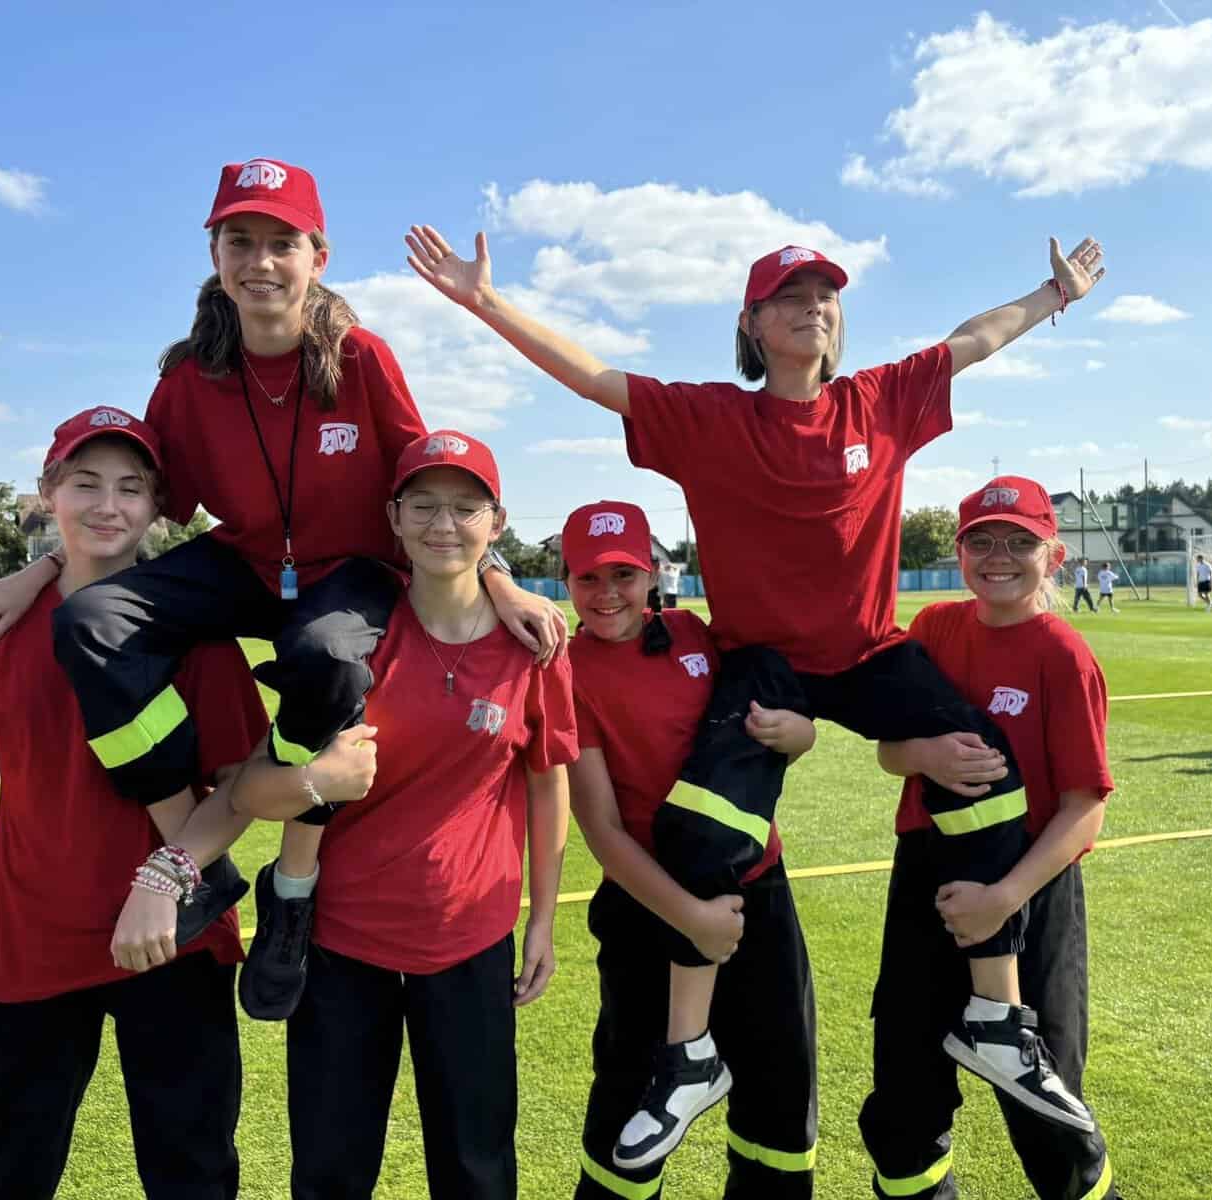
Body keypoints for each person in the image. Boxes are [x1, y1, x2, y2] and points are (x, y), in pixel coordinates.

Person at [405, 228, 1108, 1159]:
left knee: (984, 765)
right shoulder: (711, 421)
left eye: (824, 295)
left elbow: (973, 340)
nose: (811, 308)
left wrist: (1052, 297)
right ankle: (688, 1054)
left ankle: (996, 1018)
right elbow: (596, 379)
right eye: (789, 298)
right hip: (763, 665)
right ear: (752, 324)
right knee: (704, 827)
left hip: (867, 655)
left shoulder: (880, 400)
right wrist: (485, 301)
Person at [0, 158, 564, 1023]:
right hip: (243, 563)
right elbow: (134, 504)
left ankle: (292, 887)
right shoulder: (189, 376)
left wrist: (496, 576)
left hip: (348, 573)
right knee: (92, 620)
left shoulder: (360, 359)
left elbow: (432, 490)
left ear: (319, 256)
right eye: (240, 241)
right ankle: (192, 853)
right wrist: (39, 569)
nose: (261, 261)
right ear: (215, 254)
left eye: (283, 242)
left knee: (325, 655)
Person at [0, 409, 268, 1199]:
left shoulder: (196, 635)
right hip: (35, 944)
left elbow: (241, 788)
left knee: (192, 1172)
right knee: (5, 1170)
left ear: (157, 508)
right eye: (86, 484)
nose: (108, 506)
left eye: (131, 488)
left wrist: (166, 877)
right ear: (49, 492)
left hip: (175, 940)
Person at [230, 430, 577, 1199]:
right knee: (330, 1170)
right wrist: (318, 780)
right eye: (423, 505)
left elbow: (548, 781)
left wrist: (543, 921)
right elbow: (251, 793)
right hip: (341, 942)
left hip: (470, 938)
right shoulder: (350, 646)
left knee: (478, 1169)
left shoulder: (534, 646)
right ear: (393, 518)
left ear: (497, 522)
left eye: (465, 508)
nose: (442, 525)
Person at [863, 476, 1119, 1200]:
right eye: (981, 541)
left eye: (1019, 542)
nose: (998, 557)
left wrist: (1003, 899)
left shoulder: (1063, 654)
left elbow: (1085, 808)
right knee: (904, 1098)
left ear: (1054, 556)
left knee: (1044, 1104)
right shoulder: (933, 628)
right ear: (959, 552)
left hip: (1028, 885)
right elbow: (891, 752)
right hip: (927, 877)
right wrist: (924, 754)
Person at [562, 500, 819, 1197]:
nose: (607, 593)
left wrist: (800, 734)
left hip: (757, 889)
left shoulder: (696, 634)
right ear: (566, 581)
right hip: (647, 900)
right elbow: (603, 831)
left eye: (624, 574)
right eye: (589, 578)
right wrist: (691, 918)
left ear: (652, 575)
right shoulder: (566, 673)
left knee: (781, 1084)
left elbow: (773, 737)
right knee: (630, 1091)